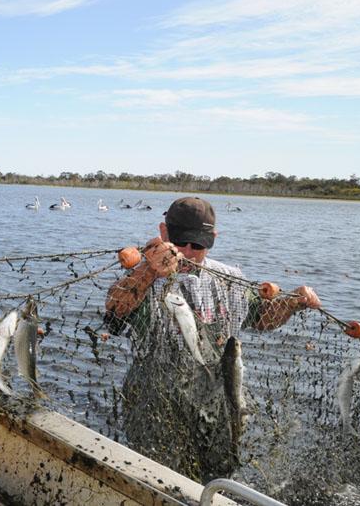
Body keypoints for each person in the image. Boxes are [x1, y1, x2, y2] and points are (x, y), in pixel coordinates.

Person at [104, 196, 320, 483]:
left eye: (199, 245)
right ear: (164, 233)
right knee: (158, 479)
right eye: (181, 242)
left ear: (213, 239)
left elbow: (261, 317)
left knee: (215, 477)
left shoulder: (229, 278)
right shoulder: (144, 276)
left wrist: (293, 302)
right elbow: (114, 313)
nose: (189, 252)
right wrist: (148, 270)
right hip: (153, 403)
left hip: (216, 404)